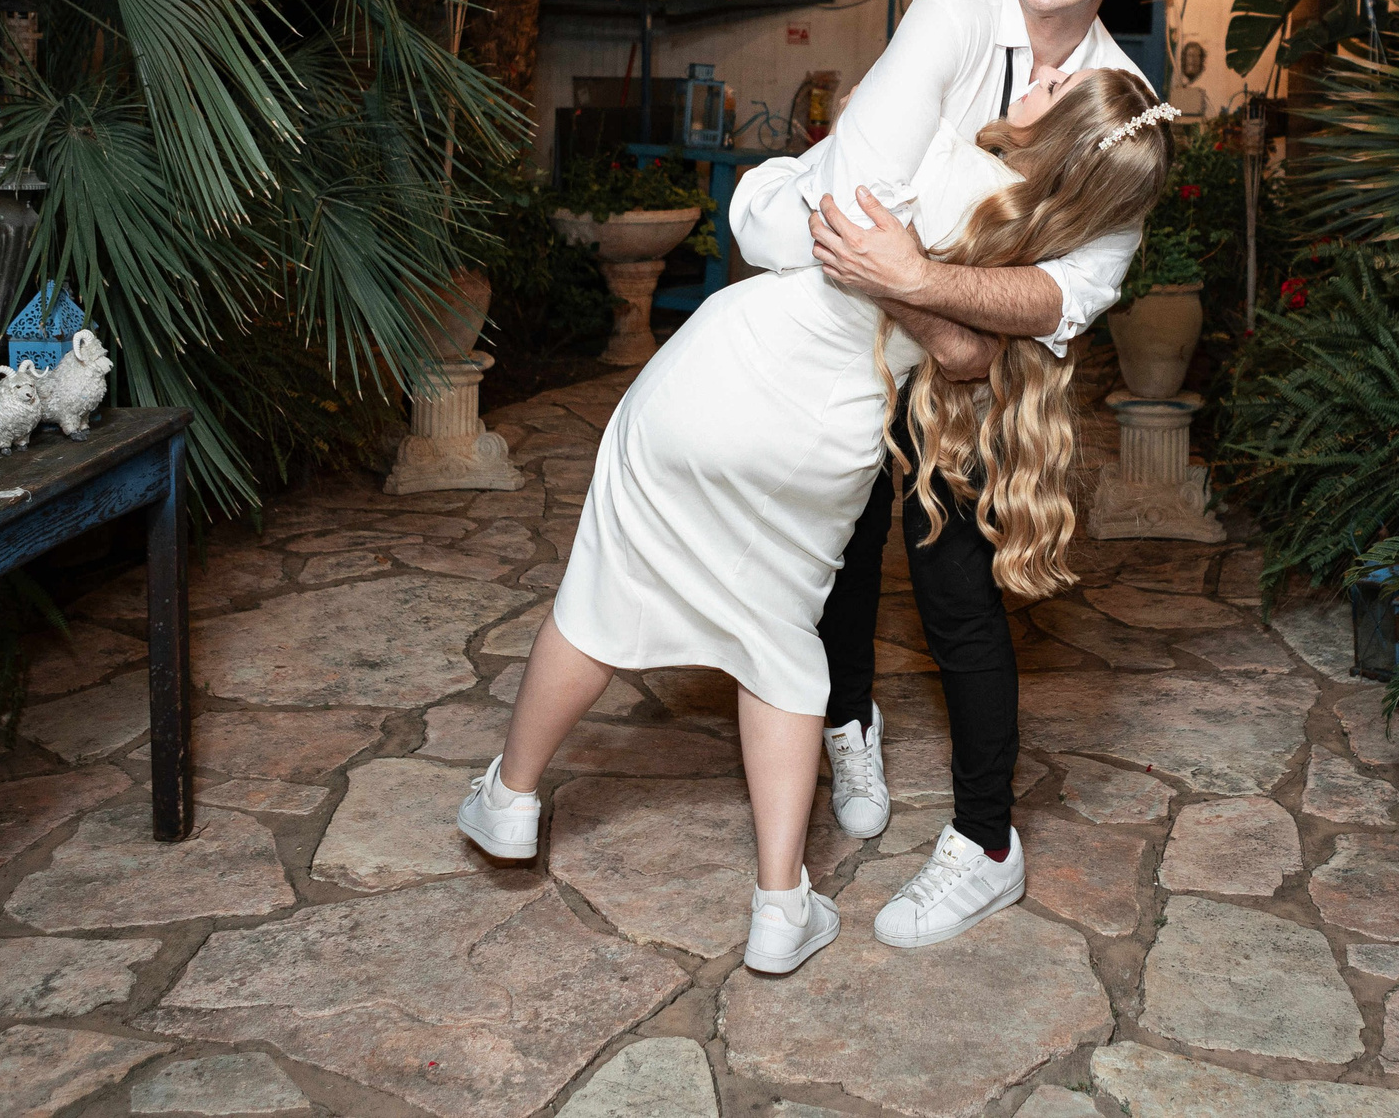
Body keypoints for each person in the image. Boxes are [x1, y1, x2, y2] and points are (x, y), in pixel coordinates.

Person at [453, 58, 1172, 975]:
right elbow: (961, 355)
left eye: (1055, 84)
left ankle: (510, 800)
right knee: (780, 647)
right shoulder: (1023, 258)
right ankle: (781, 906)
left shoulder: (928, 153)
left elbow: (767, 216)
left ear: (1054, 127)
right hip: (829, 445)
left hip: (724, 383)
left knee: (606, 586)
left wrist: (787, 177)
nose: (1035, 77)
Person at [730, 0, 1159, 949]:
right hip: (867, 336)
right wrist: (935, 304)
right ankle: (848, 719)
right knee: (837, 540)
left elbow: (1073, 292)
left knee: (956, 592)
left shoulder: (1129, 107)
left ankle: (986, 846)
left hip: (977, 393)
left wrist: (927, 287)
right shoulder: (954, 12)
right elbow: (852, 210)